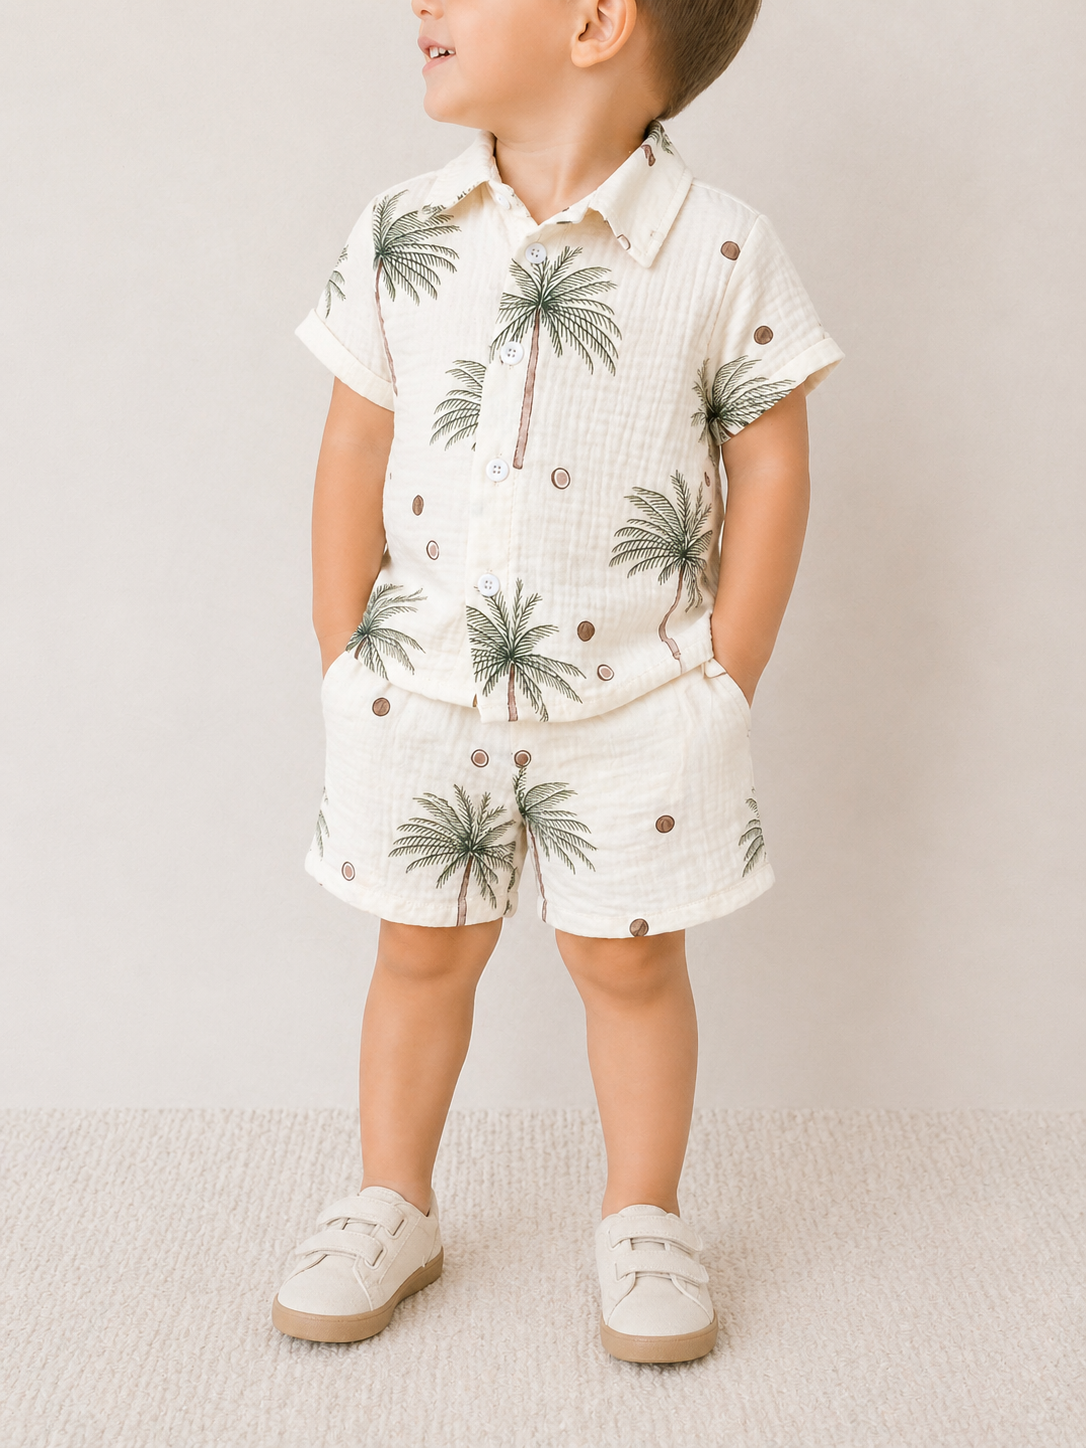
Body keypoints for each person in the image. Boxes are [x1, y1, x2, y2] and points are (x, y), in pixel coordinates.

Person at [272, 0, 842, 1363]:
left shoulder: (721, 249)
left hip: (641, 703)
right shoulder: (400, 229)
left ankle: (642, 1212)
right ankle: (390, 1199)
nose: (423, 4)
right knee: (418, 947)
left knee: (628, 961)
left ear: (594, 22)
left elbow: (769, 458)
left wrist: (728, 669)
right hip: (421, 689)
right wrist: (341, 643)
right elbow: (355, 438)